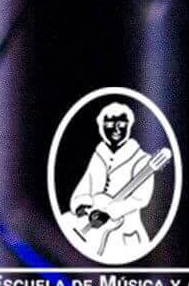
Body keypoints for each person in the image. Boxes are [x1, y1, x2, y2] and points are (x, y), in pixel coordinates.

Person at [66, 102, 157, 262]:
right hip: (91, 226)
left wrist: (110, 212)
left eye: (121, 125)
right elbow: (86, 185)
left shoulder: (141, 160)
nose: (116, 130)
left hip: (124, 233)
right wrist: (81, 205)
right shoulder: (99, 155)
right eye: (110, 125)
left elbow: (141, 199)